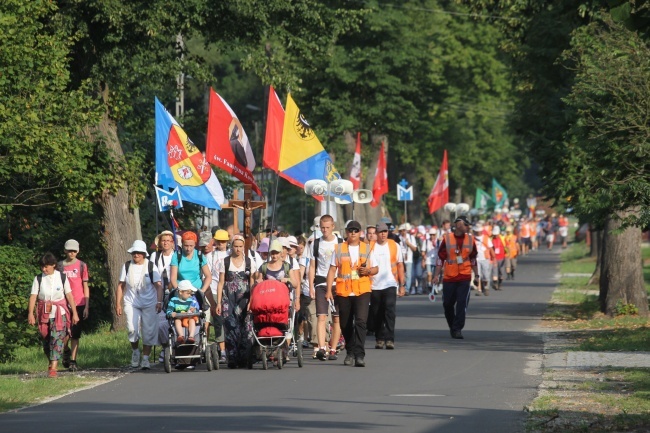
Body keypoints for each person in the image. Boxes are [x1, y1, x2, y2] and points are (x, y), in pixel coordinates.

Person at [326, 220, 378, 367]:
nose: (353, 233)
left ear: (360, 232)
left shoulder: (367, 248)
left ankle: (359, 355)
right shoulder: (339, 248)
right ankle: (350, 351)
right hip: (344, 292)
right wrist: (329, 290)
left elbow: (375, 268)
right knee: (345, 323)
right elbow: (331, 270)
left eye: (356, 230)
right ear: (346, 232)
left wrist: (368, 271)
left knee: (361, 322)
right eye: (350, 230)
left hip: (362, 290)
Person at [28, 253, 80, 378]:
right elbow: (33, 296)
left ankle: (54, 369)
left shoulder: (62, 277)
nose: (43, 269)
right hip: (44, 313)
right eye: (42, 267)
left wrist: (75, 314)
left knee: (56, 339)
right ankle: (55, 359)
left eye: (46, 266)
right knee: (47, 342)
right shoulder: (38, 278)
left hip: (59, 313)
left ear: (53, 265)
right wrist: (31, 313)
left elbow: (69, 296)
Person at [115, 240, 163, 369]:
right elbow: (121, 286)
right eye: (134, 252)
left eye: (139, 253)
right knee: (132, 328)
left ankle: (146, 358)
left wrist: (159, 301)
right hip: (132, 302)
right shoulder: (126, 266)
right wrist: (118, 304)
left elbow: (158, 286)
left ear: (144, 254)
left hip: (149, 302)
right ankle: (135, 352)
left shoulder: (151, 266)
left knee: (148, 330)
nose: (136, 255)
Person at [216, 234, 258, 368]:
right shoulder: (225, 261)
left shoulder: (249, 262)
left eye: (240, 246)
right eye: (236, 246)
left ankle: (245, 357)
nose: (238, 249)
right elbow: (221, 282)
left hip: (244, 298)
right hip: (229, 297)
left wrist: (252, 300)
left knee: (245, 327)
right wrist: (218, 302)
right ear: (232, 246)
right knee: (230, 326)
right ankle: (232, 358)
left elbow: (253, 283)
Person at [433, 216, 478, 339]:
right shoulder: (447, 239)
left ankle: (457, 328)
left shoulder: (471, 239)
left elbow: (473, 258)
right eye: (466, 225)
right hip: (449, 277)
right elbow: (440, 258)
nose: (468, 227)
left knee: (462, 303)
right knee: (447, 304)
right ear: (459, 225)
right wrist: (436, 275)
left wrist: (477, 275)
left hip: (464, 275)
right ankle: (453, 325)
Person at [307, 214, 342, 361]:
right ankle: (321, 347)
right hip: (321, 282)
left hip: (337, 283)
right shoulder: (315, 244)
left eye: (327, 227)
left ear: (333, 227)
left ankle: (333, 348)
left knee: (336, 318)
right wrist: (310, 286)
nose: (325, 230)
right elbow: (312, 266)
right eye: (322, 227)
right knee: (321, 316)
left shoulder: (340, 243)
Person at [368, 222, 404, 350]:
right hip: (374, 285)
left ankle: (389, 339)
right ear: (376, 233)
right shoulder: (370, 247)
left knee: (390, 311)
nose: (383, 234)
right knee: (377, 313)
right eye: (381, 232)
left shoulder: (394, 245)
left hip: (390, 283)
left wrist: (402, 285)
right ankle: (379, 338)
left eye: (385, 231)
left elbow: (400, 265)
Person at [58, 239, 89, 372]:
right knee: (64, 333)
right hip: (64, 303)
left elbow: (85, 285)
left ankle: (73, 360)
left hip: (79, 302)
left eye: (74, 251)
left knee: (75, 334)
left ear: (78, 251)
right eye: (69, 250)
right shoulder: (59, 266)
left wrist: (87, 305)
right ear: (65, 251)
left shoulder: (82, 265)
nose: (72, 253)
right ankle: (65, 350)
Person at [209, 229, 230, 364]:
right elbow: (209, 275)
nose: (221, 244)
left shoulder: (230, 254)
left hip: (230, 290)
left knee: (231, 319)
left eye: (223, 241)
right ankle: (222, 350)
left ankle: (232, 347)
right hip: (215, 289)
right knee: (219, 320)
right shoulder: (210, 256)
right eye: (219, 241)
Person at [166, 280, 200, 344]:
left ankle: (191, 336)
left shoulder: (191, 301)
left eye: (191, 293)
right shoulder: (174, 300)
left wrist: (194, 310)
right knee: (177, 320)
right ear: (181, 292)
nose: (190, 295)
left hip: (188, 318)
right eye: (188, 293)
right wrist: (171, 313)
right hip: (179, 317)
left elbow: (196, 310)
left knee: (192, 320)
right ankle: (181, 336)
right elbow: (169, 310)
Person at [473, 224, 494, 296]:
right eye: (476, 231)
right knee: (477, 275)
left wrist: (493, 258)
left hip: (485, 258)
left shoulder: (486, 238)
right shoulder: (472, 238)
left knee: (486, 275)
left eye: (479, 231)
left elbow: (491, 248)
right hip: (476, 259)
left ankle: (486, 287)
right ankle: (479, 290)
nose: (478, 232)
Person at [398, 223, 418, 295]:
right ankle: (401, 287)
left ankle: (407, 289)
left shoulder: (411, 237)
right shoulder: (398, 237)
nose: (402, 232)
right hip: (400, 258)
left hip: (408, 258)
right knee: (401, 274)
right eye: (400, 231)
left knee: (408, 275)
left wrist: (408, 243)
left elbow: (415, 249)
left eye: (403, 230)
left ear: (406, 231)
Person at [421, 228, 440, 293]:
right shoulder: (426, 241)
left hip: (436, 260)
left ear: (436, 235)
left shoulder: (438, 241)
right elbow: (423, 251)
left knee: (435, 275)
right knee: (429, 274)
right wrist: (424, 257)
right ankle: (429, 285)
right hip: (428, 260)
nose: (432, 236)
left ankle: (435, 287)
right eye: (431, 235)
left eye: (433, 235)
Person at [491, 226, 506, 290]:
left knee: (501, 272)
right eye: (494, 234)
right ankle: (495, 284)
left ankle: (500, 284)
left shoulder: (502, 238)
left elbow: (506, 247)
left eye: (496, 234)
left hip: (502, 257)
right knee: (494, 271)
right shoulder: (490, 239)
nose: (495, 235)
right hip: (494, 258)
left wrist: (507, 255)